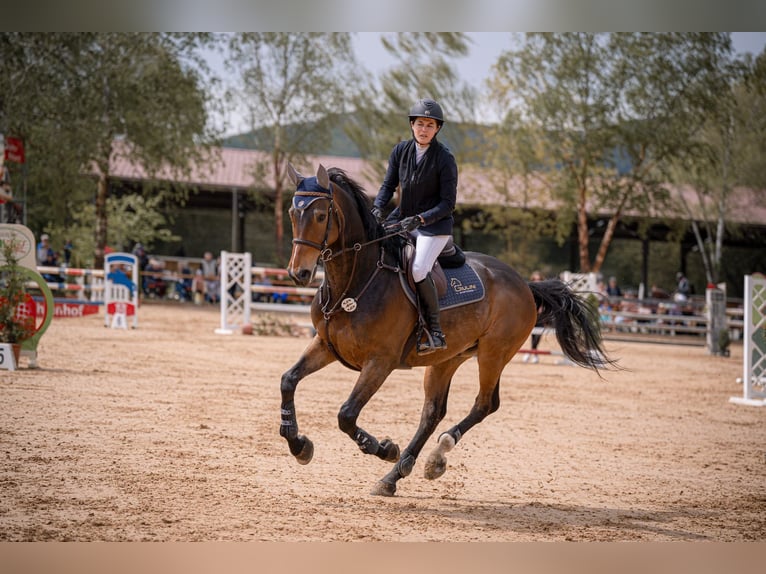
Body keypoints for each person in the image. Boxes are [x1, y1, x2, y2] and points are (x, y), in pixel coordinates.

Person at [371, 98, 457, 355]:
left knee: (418, 269)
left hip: (435, 226)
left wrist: (421, 220)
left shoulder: (445, 159)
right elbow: (388, 185)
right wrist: (377, 207)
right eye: (420, 123)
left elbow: (447, 203)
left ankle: (434, 330)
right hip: (402, 217)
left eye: (430, 125)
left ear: (437, 129)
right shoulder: (400, 151)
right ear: (412, 125)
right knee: (376, 249)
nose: (424, 129)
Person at [523, 271, 545, 364]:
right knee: (531, 335)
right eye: (535, 279)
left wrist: (543, 308)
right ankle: (533, 353)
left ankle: (532, 352)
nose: (537, 281)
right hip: (532, 315)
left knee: (538, 336)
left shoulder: (544, 289)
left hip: (541, 316)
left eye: (539, 279)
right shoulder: (530, 289)